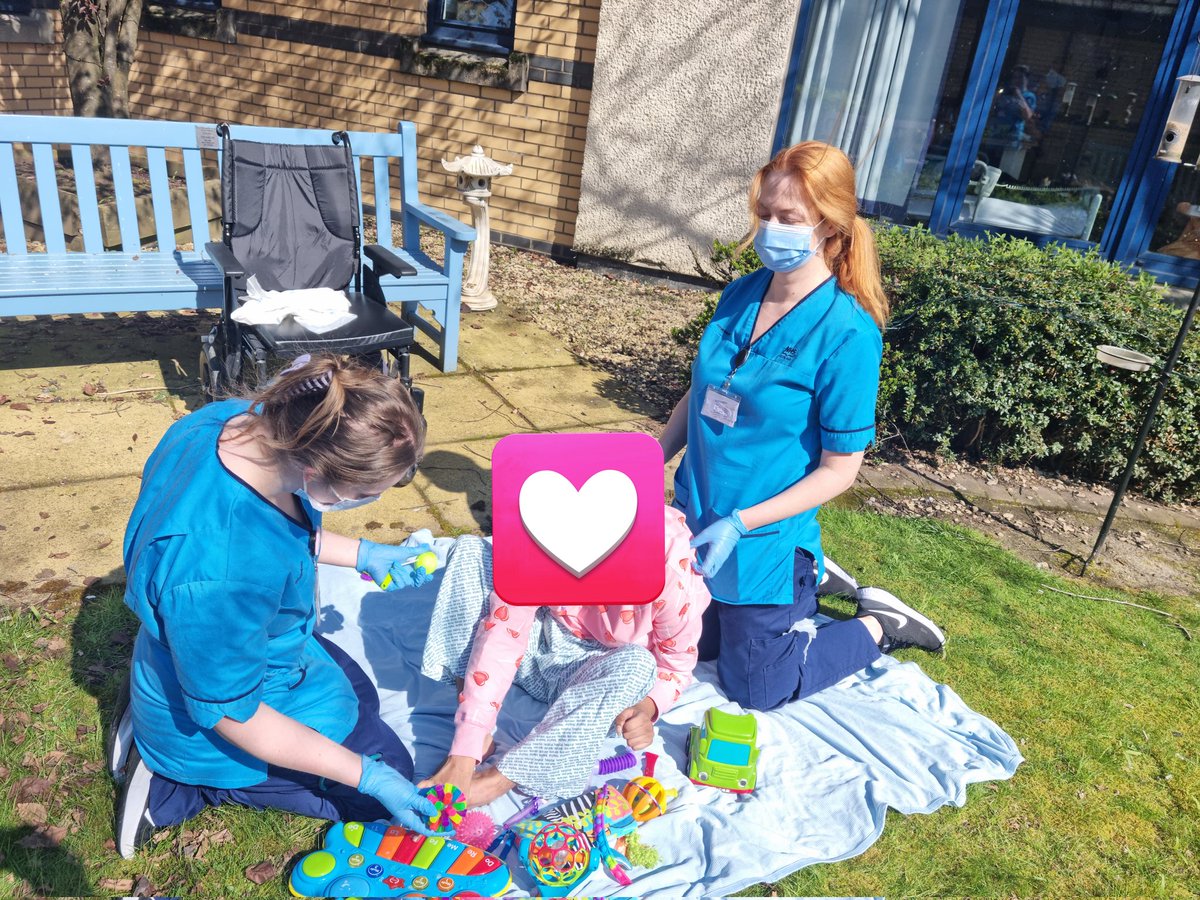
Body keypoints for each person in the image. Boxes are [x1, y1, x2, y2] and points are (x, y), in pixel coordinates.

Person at [113, 353, 438, 858]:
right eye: (367, 492)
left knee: (359, 689)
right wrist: (369, 777)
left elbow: (281, 530)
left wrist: (365, 554)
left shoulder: (241, 423)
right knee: (386, 775)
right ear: (316, 472)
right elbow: (235, 717)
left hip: (214, 651)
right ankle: (169, 786)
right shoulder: (222, 574)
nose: (374, 499)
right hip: (220, 718)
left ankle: (159, 712)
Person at [658, 141, 945, 714]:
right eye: (764, 213)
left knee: (756, 688)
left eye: (787, 218)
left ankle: (876, 622)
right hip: (699, 517)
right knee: (688, 646)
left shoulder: (848, 334)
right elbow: (708, 388)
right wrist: (651, 457)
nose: (769, 228)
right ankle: (812, 581)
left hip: (762, 534)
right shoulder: (741, 294)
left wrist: (743, 522)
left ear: (830, 228)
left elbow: (841, 471)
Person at [419, 506, 710, 806]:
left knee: (638, 664)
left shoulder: (671, 570)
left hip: (598, 672)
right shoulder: (545, 523)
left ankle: (499, 780)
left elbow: (675, 665)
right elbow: (502, 633)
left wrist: (646, 708)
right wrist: (465, 748)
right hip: (538, 636)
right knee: (469, 551)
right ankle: (477, 741)